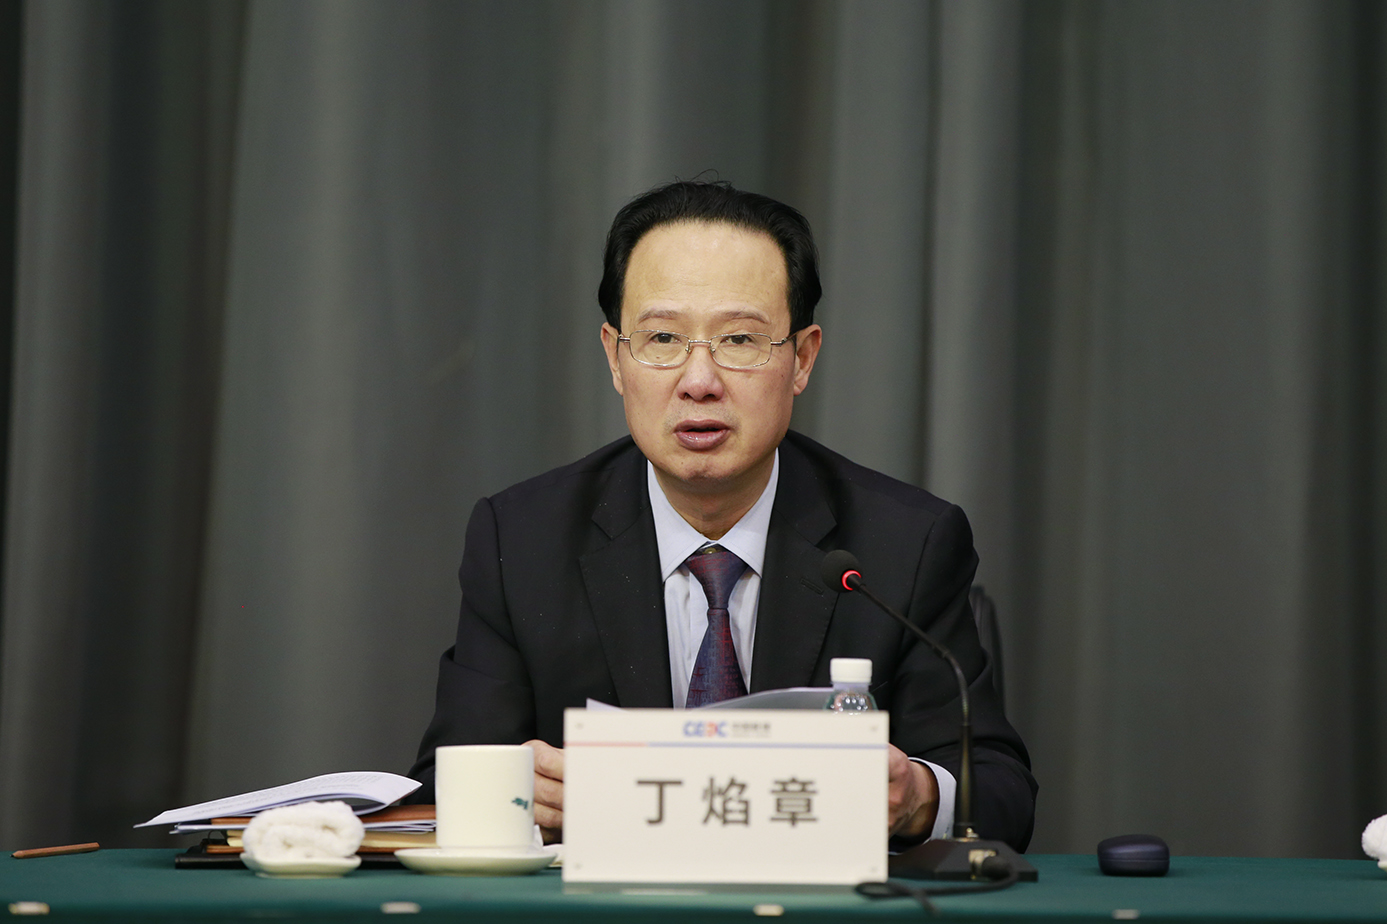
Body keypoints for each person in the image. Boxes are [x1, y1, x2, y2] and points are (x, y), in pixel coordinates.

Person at [409, 180, 1036, 850]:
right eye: (662, 338)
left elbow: (1000, 794)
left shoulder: (904, 544)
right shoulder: (522, 541)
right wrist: (507, 791)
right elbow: (436, 791)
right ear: (615, 358)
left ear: (802, 358)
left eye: (739, 339)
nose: (699, 381)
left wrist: (917, 797)